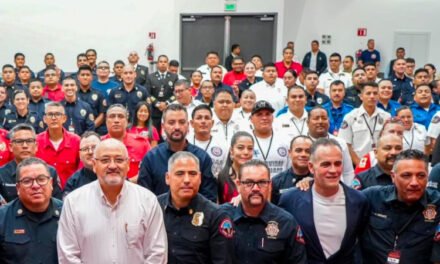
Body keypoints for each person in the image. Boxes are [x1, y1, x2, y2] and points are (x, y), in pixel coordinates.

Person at [57, 139, 167, 263]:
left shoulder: (148, 201)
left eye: (119, 160)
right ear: (94, 165)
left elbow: (157, 253)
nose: (113, 166)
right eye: (105, 160)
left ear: (128, 164)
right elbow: (68, 256)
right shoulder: (74, 202)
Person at [279, 138, 369, 263]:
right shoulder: (290, 199)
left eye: (338, 164)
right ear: (311, 167)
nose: (333, 170)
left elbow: (363, 244)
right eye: (325, 164)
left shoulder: (359, 200)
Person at [360, 149, 440, 264]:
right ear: (393, 176)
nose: (414, 182)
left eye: (421, 176)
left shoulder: (437, 203)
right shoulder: (372, 197)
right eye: (406, 175)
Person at [223, 159, 307, 263]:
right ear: (238, 185)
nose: (256, 188)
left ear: (270, 185)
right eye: (249, 183)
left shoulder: (286, 223)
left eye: (262, 182)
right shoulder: (221, 217)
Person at [158, 151, 235, 263]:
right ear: (167, 178)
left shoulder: (216, 216)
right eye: (180, 174)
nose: (187, 180)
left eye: (193, 174)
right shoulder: (154, 208)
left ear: (200, 178)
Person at [138, 104, 217, 202]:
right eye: (171, 123)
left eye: (182, 122)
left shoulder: (202, 158)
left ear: (188, 125)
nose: (177, 127)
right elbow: (144, 198)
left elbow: (209, 199)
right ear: (163, 126)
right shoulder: (151, 158)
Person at [0, 157, 62, 264]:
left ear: (51, 183)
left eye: (41, 179)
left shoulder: (68, 213)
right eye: (27, 181)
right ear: (18, 188)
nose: (36, 186)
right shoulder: (2, 218)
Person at [0, 124, 62, 202]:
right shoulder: (1, 174)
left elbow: (57, 202)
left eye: (29, 141)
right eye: (19, 141)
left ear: (36, 146)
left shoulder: (50, 171)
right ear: (11, 147)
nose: (25, 146)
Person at [339, 82, 391, 165]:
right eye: (368, 93)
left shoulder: (386, 116)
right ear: (361, 96)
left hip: (380, 164)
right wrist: (360, 164)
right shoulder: (350, 117)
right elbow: (346, 144)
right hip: (357, 164)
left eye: (375, 93)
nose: (372, 96)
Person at [36, 102, 81, 188]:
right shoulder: (36, 142)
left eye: (57, 114)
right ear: (44, 119)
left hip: (71, 191)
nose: (54, 118)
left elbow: (80, 172)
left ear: (64, 118)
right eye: (50, 114)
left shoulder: (76, 141)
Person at [102, 104, 151, 180]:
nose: (116, 120)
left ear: (127, 121)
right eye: (112, 116)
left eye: (120, 116)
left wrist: (129, 183)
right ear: (106, 121)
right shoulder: (98, 144)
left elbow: (149, 171)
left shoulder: (142, 143)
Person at [250, 100, 290, 176]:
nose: (264, 118)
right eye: (259, 114)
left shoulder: (285, 140)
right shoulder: (245, 141)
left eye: (268, 114)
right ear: (251, 119)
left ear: (272, 117)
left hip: (280, 186)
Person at [188, 104, 228, 177]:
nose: (203, 121)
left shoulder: (223, 145)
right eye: (199, 118)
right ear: (192, 123)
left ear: (212, 123)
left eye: (207, 118)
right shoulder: (186, 143)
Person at [271, 135, 313, 204]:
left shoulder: (319, 180)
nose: (303, 154)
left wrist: (314, 182)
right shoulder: (277, 181)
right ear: (290, 153)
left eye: (308, 151)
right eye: (298, 150)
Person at [217, 131, 254, 204]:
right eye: (240, 148)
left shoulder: (258, 176)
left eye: (250, 148)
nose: (246, 152)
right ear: (231, 150)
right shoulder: (220, 177)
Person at [145, 55, 178, 130]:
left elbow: (176, 93)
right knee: (155, 134)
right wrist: (158, 104)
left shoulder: (174, 77)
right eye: (161, 62)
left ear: (168, 64)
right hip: (155, 111)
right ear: (157, 64)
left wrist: (166, 103)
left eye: (165, 62)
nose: (163, 63)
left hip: (170, 110)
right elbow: (148, 93)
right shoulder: (150, 77)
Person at [63, 131, 100, 196]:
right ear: (80, 155)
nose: (90, 152)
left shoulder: (113, 173)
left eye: (94, 147)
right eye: (85, 149)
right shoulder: (73, 182)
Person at [76, 64, 108, 135]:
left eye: (87, 75)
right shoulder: (73, 94)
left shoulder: (99, 94)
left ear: (92, 77)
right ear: (78, 77)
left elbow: (102, 114)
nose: (85, 77)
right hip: (77, 131)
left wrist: (90, 129)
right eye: (82, 75)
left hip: (95, 131)